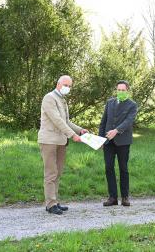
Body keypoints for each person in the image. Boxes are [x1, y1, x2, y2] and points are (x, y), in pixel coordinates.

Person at [38, 75, 87, 215]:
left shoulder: (62, 100)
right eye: (66, 85)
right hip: (49, 141)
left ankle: (55, 201)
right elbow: (57, 120)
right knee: (50, 173)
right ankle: (50, 204)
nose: (68, 88)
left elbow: (66, 121)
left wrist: (80, 130)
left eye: (70, 86)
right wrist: (73, 135)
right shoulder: (49, 98)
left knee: (58, 172)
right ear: (58, 84)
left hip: (61, 141)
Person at [99, 80, 138, 207]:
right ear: (116, 90)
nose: (120, 92)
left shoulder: (132, 105)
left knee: (123, 169)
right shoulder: (110, 102)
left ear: (127, 90)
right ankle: (112, 197)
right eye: (118, 90)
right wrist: (101, 139)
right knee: (109, 168)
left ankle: (125, 197)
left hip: (123, 142)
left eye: (123, 90)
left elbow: (128, 121)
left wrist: (116, 131)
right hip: (108, 141)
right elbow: (103, 121)